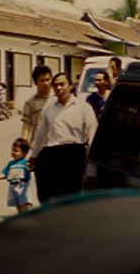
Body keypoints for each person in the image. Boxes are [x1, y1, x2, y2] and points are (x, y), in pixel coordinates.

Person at [29, 72, 98, 202]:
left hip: (76, 153)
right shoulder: (49, 108)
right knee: (56, 190)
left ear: (70, 85)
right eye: (55, 85)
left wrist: (91, 154)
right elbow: (41, 133)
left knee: (74, 190)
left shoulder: (83, 107)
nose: (59, 88)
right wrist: (33, 155)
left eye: (62, 84)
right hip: (55, 153)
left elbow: (93, 129)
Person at [0, 138, 33, 213]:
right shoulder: (11, 163)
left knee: (25, 202)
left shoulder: (25, 162)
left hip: (22, 185)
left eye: (16, 151)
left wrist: (30, 167)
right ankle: (21, 216)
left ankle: (28, 215)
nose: (13, 152)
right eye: (12, 150)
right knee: (17, 204)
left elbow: (31, 168)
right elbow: (5, 173)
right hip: (12, 187)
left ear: (24, 152)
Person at [20, 64, 54, 143]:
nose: (46, 83)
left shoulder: (58, 99)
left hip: (57, 146)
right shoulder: (30, 103)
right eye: (42, 80)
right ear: (35, 82)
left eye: (48, 79)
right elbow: (26, 126)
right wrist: (24, 143)